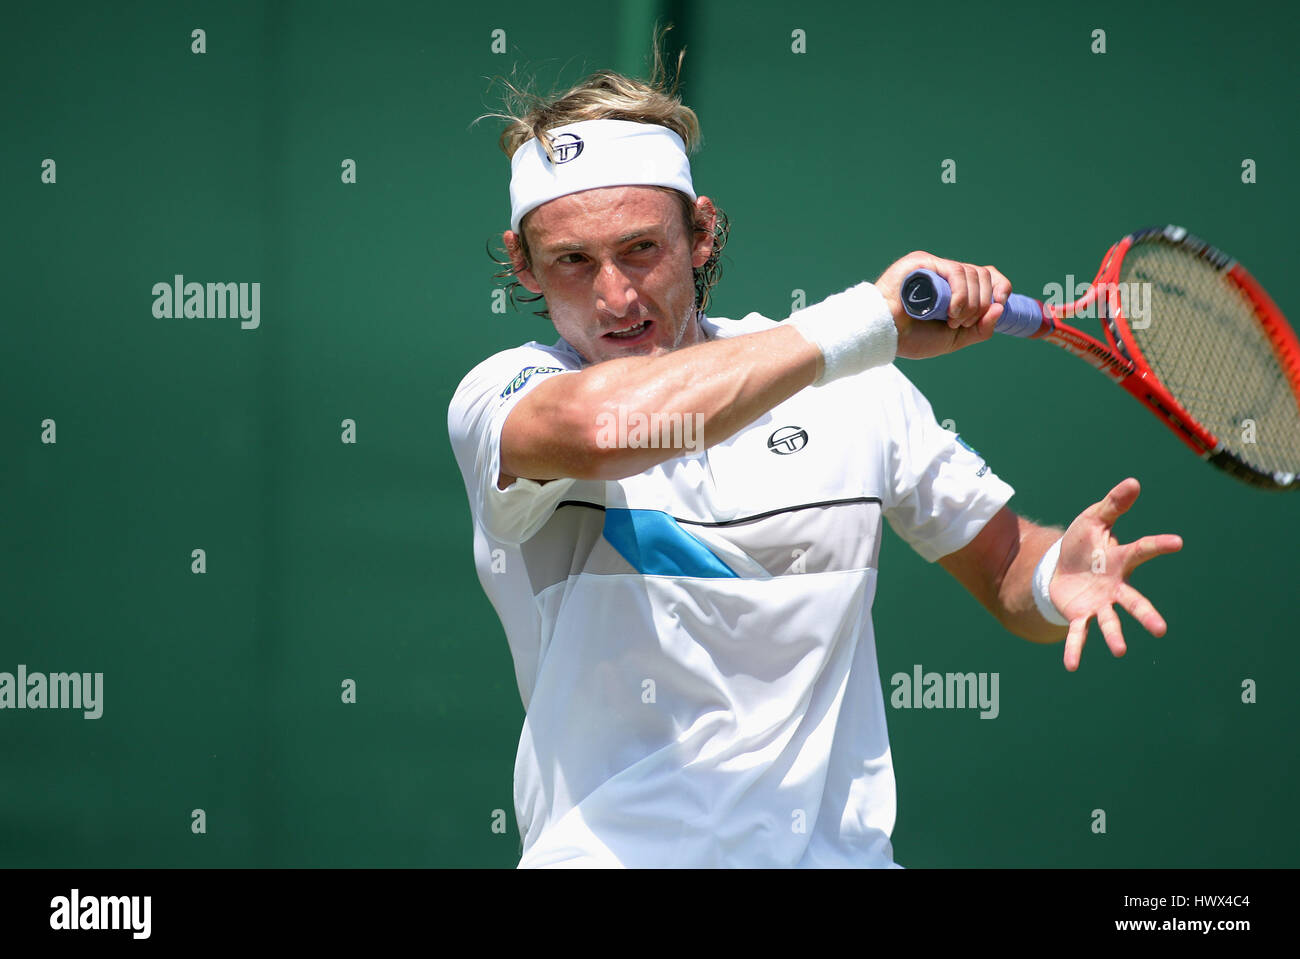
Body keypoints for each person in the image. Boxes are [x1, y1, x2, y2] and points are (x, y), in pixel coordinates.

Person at [447, 59, 1182, 868]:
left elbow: (1008, 570)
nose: (616, 296)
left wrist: (1051, 580)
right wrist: (871, 318)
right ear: (522, 263)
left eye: (640, 249)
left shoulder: (856, 389)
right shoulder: (504, 398)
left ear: (702, 232)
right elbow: (603, 426)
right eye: (573, 262)